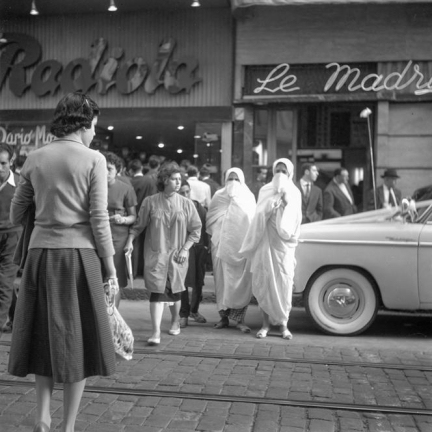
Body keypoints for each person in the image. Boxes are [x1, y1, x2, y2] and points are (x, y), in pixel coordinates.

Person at [8, 92, 117, 432]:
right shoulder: (93, 159)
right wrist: (111, 268)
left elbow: (15, 214)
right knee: (79, 341)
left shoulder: (34, 158)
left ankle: (42, 416)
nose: (95, 133)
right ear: (83, 123)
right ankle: (67, 426)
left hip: (40, 256)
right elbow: (99, 218)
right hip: (79, 256)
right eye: (94, 126)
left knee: (42, 334)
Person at [124, 162, 201, 346]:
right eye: (174, 179)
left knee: (175, 293)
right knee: (157, 293)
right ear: (164, 180)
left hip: (177, 256)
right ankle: (156, 331)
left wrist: (185, 249)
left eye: (179, 179)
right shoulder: (150, 202)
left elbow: (196, 230)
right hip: (156, 254)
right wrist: (129, 242)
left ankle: (175, 320)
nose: (178, 182)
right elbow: (138, 226)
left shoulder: (186, 204)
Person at [240, 158, 301, 340]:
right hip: (265, 245)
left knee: (283, 283)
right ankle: (265, 324)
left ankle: (283, 325)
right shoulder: (265, 190)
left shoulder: (294, 192)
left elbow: (296, 219)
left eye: (284, 170)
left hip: (283, 247)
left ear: (290, 173)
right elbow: (257, 216)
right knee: (265, 283)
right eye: (277, 170)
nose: (280, 174)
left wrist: (286, 203)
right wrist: (270, 205)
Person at [206, 168, 256, 333]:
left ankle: (240, 320)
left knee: (240, 283)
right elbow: (211, 219)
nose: (233, 182)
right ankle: (224, 318)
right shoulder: (219, 196)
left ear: (241, 181)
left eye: (236, 179)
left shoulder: (248, 197)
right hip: (220, 247)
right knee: (222, 283)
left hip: (241, 248)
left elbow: (252, 220)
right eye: (230, 179)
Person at [102, 151, 137, 307]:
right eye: (102, 168)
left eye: (109, 168)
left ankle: (113, 315)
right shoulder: (92, 186)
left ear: (117, 170)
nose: (105, 172)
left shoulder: (126, 188)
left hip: (118, 236)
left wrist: (122, 219)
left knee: (114, 277)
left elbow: (133, 217)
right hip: (95, 235)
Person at [178, 179, 208, 327]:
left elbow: (205, 228)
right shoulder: (175, 207)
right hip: (182, 249)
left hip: (198, 249)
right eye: (182, 192)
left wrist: (206, 248)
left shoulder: (198, 206)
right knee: (183, 281)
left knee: (198, 282)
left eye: (187, 192)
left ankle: (194, 311)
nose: (185, 195)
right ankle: (183, 313)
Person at [0, 144, 21, 337]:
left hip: (13, 236)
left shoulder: (21, 184)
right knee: (4, 282)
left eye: (3, 163)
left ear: (11, 162)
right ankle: (17, 319)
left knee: (5, 281)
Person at [128, 158, 158, 278]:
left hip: (133, 215)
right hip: (148, 215)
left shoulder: (129, 182)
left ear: (130, 170)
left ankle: (133, 272)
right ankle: (145, 270)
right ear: (141, 168)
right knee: (148, 244)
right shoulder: (149, 181)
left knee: (134, 244)